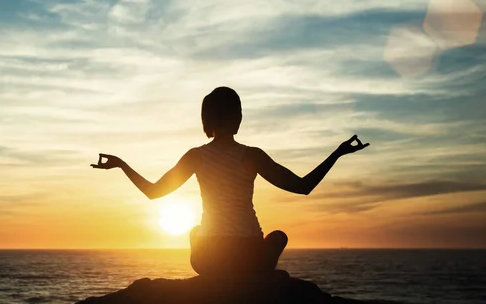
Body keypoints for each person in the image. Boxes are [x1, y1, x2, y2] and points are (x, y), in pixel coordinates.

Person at [91, 87, 369, 275]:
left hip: (208, 260)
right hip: (250, 257)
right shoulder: (252, 156)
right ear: (237, 117)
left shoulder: (196, 156)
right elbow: (303, 186)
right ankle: (258, 273)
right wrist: (338, 153)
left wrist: (121, 164)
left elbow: (154, 192)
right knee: (279, 237)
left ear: (207, 119)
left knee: (194, 230)